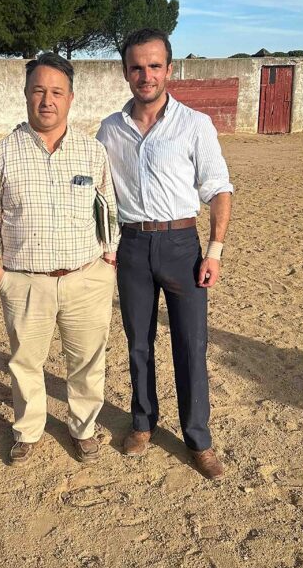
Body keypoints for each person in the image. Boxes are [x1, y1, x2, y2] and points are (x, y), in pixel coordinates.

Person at [96, 29, 233, 481]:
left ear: (170, 70)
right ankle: (142, 422)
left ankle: (198, 437)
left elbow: (218, 189)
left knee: (191, 344)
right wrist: (106, 245)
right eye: (137, 66)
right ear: (125, 72)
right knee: (138, 343)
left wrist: (213, 251)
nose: (146, 75)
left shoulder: (195, 125)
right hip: (132, 246)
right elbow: (99, 195)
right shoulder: (109, 130)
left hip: (181, 246)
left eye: (155, 66)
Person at [0, 52, 119, 466]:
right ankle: (28, 430)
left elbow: (108, 208)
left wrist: (108, 262)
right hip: (25, 282)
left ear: (71, 98)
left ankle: (84, 428)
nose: (47, 100)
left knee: (88, 361)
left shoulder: (92, 152)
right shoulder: (0, 155)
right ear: (25, 95)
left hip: (86, 277)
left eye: (57, 92)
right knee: (25, 363)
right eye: (38, 90)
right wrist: (0, 276)